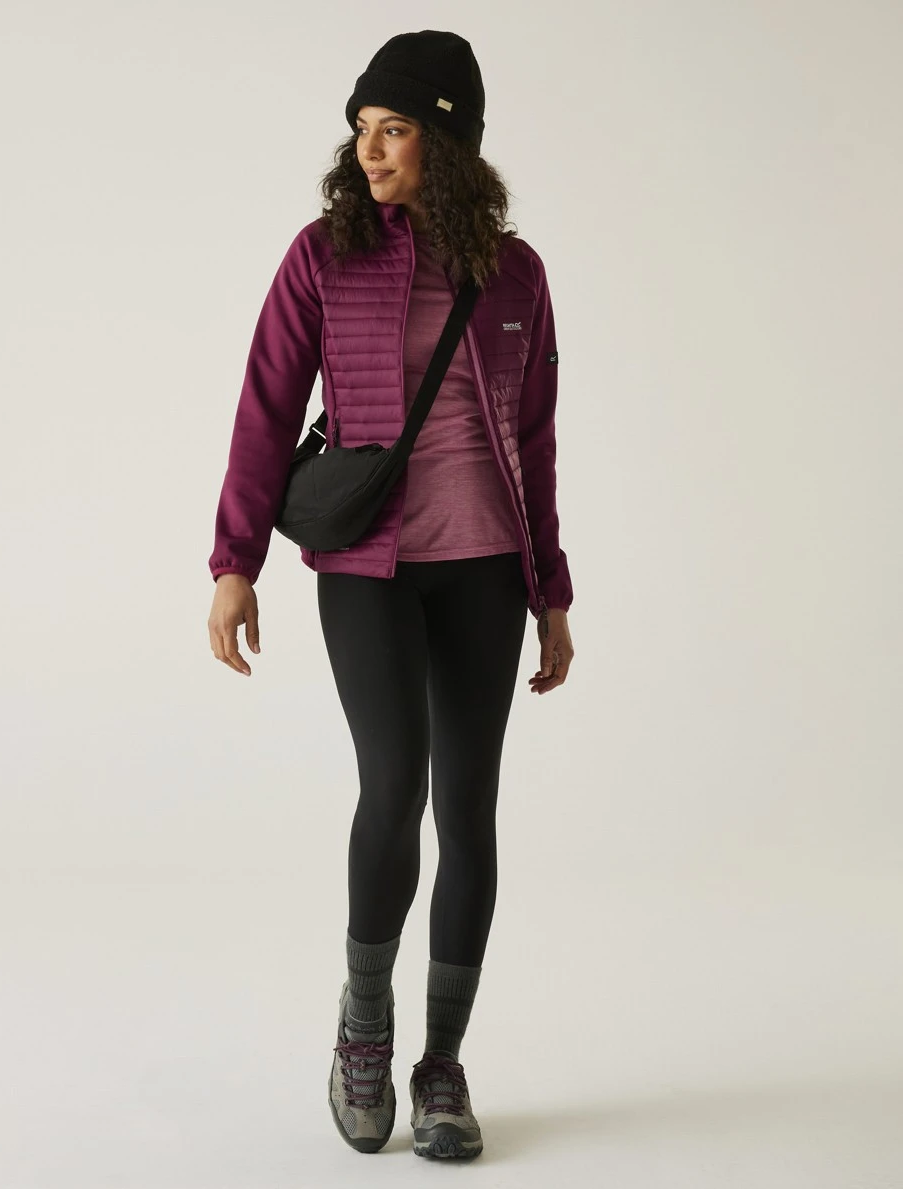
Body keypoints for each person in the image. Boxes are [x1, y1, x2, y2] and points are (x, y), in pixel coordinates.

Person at [206, 29, 575, 1161]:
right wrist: (233, 563)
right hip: (366, 567)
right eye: (361, 129)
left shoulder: (515, 274)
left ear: (446, 141)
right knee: (394, 784)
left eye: (395, 130)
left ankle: (441, 1064)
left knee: (467, 806)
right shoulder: (325, 255)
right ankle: (363, 1027)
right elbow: (267, 405)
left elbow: (534, 437)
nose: (368, 151)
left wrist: (550, 590)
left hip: (485, 570)